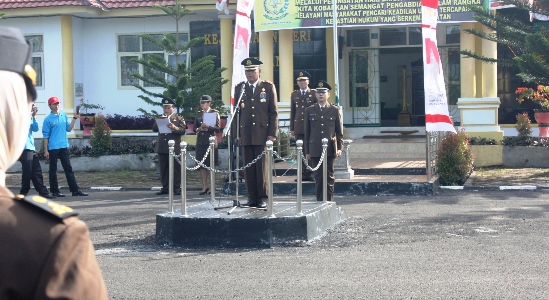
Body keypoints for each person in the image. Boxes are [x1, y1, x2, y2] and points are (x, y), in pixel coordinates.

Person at [0, 26, 108, 299]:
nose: (58, 106)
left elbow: (68, 125)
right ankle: (50, 191)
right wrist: (45, 148)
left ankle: (67, 189)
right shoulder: (50, 238)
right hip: (51, 148)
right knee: (41, 174)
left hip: (63, 146)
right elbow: (43, 133)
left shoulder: (60, 117)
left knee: (59, 172)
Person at [233, 57, 278, 209]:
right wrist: (236, 134)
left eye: (252, 70)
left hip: (262, 133)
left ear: (259, 71)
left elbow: (274, 113)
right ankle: (251, 197)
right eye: (247, 71)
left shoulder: (267, 87)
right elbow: (236, 113)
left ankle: (262, 197)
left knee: (261, 167)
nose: (250, 73)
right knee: (249, 168)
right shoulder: (240, 88)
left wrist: (272, 134)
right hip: (246, 133)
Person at [304, 80, 343, 202]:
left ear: (328, 94)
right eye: (319, 93)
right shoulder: (309, 110)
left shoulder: (334, 110)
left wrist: (339, 147)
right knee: (319, 177)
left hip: (330, 148)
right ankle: (320, 200)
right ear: (315, 95)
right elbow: (307, 133)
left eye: (323, 93)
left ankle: (329, 201)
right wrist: (307, 151)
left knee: (329, 176)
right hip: (315, 148)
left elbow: (339, 131)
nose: (321, 95)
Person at [42, 96, 88, 197]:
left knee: (68, 168)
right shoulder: (47, 119)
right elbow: (45, 136)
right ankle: (55, 191)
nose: (57, 105)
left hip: (63, 146)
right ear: (50, 105)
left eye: (58, 103)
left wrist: (75, 118)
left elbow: (69, 129)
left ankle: (75, 190)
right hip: (53, 147)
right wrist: (46, 150)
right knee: (53, 170)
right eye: (54, 103)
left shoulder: (63, 115)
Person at [18, 102, 55, 198]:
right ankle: (23, 192)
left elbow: (35, 128)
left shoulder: (29, 117)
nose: (33, 107)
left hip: (30, 148)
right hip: (23, 148)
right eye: (31, 105)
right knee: (28, 171)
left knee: (36, 171)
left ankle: (43, 192)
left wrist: (34, 117)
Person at [152, 97, 186, 195]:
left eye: (168, 107)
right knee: (164, 168)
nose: (166, 109)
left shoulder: (179, 118)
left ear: (173, 107)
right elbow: (154, 129)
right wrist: (157, 121)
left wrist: (174, 127)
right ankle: (165, 188)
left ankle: (176, 188)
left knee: (176, 168)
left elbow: (182, 131)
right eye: (164, 108)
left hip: (174, 146)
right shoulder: (160, 117)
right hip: (162, 145)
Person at [290, 70, 317, 182]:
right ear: (297, 83)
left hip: (310, 127)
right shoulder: (294, 94)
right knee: (300, 151)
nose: (302, 83)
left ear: (308, 82)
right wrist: (292, 128)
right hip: (299, 127)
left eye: (304, 81)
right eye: (300, 81)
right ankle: (301, 174)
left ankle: (310, 173)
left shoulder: (313, 93)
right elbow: (293, 112)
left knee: (309, 151)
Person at [194, 95, 220, 195]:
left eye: (203, 103)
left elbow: (218, 128)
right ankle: (204, 186)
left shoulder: (214, 113)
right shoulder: (199, 114)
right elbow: (194, 128)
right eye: (201, 103)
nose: (202, 105)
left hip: (211, 140)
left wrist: (208, 127)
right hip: (201, 140)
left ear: (209, 103)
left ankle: (212, 186)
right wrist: (198, 129)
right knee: (202, 164)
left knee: (211, 164)